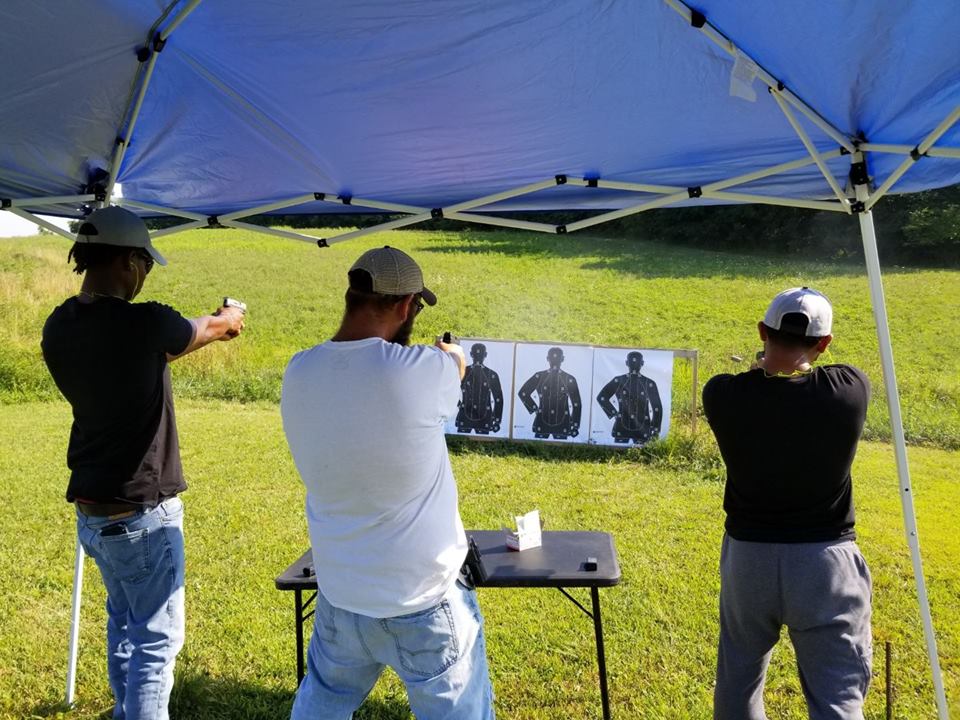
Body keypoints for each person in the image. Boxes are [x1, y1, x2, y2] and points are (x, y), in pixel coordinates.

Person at [40, 206, 245, 720]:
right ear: (130, 261)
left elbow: (146, 354)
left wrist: (210, 330)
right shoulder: (145, 322)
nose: (146, 275)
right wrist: (227, 320)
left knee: (125, 623)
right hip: (141, 515)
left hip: (92, 511)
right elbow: (200, 329)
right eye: (146, 264)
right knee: (156, 641)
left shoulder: (60, 325)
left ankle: (123, 710)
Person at [281, 245, 495, 720]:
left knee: (321, 708)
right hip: (423, 597)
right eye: (416, 307)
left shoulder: (299, 370)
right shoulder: (422, 370)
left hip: (340, 593)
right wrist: (452, 355)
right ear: (404, 306)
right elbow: (454, 367)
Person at [703, 287, 872, 720]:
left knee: (738, 685)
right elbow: (815, 374)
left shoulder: (723, 395)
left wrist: (763, 365)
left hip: (749, 560)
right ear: (824, 343)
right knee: (837, 699)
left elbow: (750, 380)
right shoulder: (848, 391)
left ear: (762, 331)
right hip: (824, 563)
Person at [596, 351, 663, 444]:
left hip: (640, 427)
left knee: (640, 455)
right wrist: (614, 413)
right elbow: (602, 397)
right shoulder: (647, 382)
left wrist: (655, 429)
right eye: (632, 362)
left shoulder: (649, 383)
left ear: (626, 363)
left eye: (637, 362)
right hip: (624, 426)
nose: (634, 364)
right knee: (619, 453)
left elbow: (657, 408)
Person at [517, 346, 582, 439]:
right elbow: (523, 393)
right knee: (541, 446)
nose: (555, 361)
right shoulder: (567, 378)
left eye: (557, 358)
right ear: (562, 359)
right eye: (553, 358)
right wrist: (535, 409)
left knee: (557, 447)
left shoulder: (568, 379)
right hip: (547, 423)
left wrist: (575, 425)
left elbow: (576, 404)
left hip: (559, 424)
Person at [456, 342, 505, 435]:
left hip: (484, 418)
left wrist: (497, 420)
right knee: (461, 439)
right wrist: (460, 405)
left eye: (480, 354)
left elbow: (498, 399)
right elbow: (450, 390)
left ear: (485, 355)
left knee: (482, 441)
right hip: (466, 416)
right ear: (471, 354)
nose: (478, 357)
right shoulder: (463, 372)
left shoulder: (492, 375)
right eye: (475, 354)